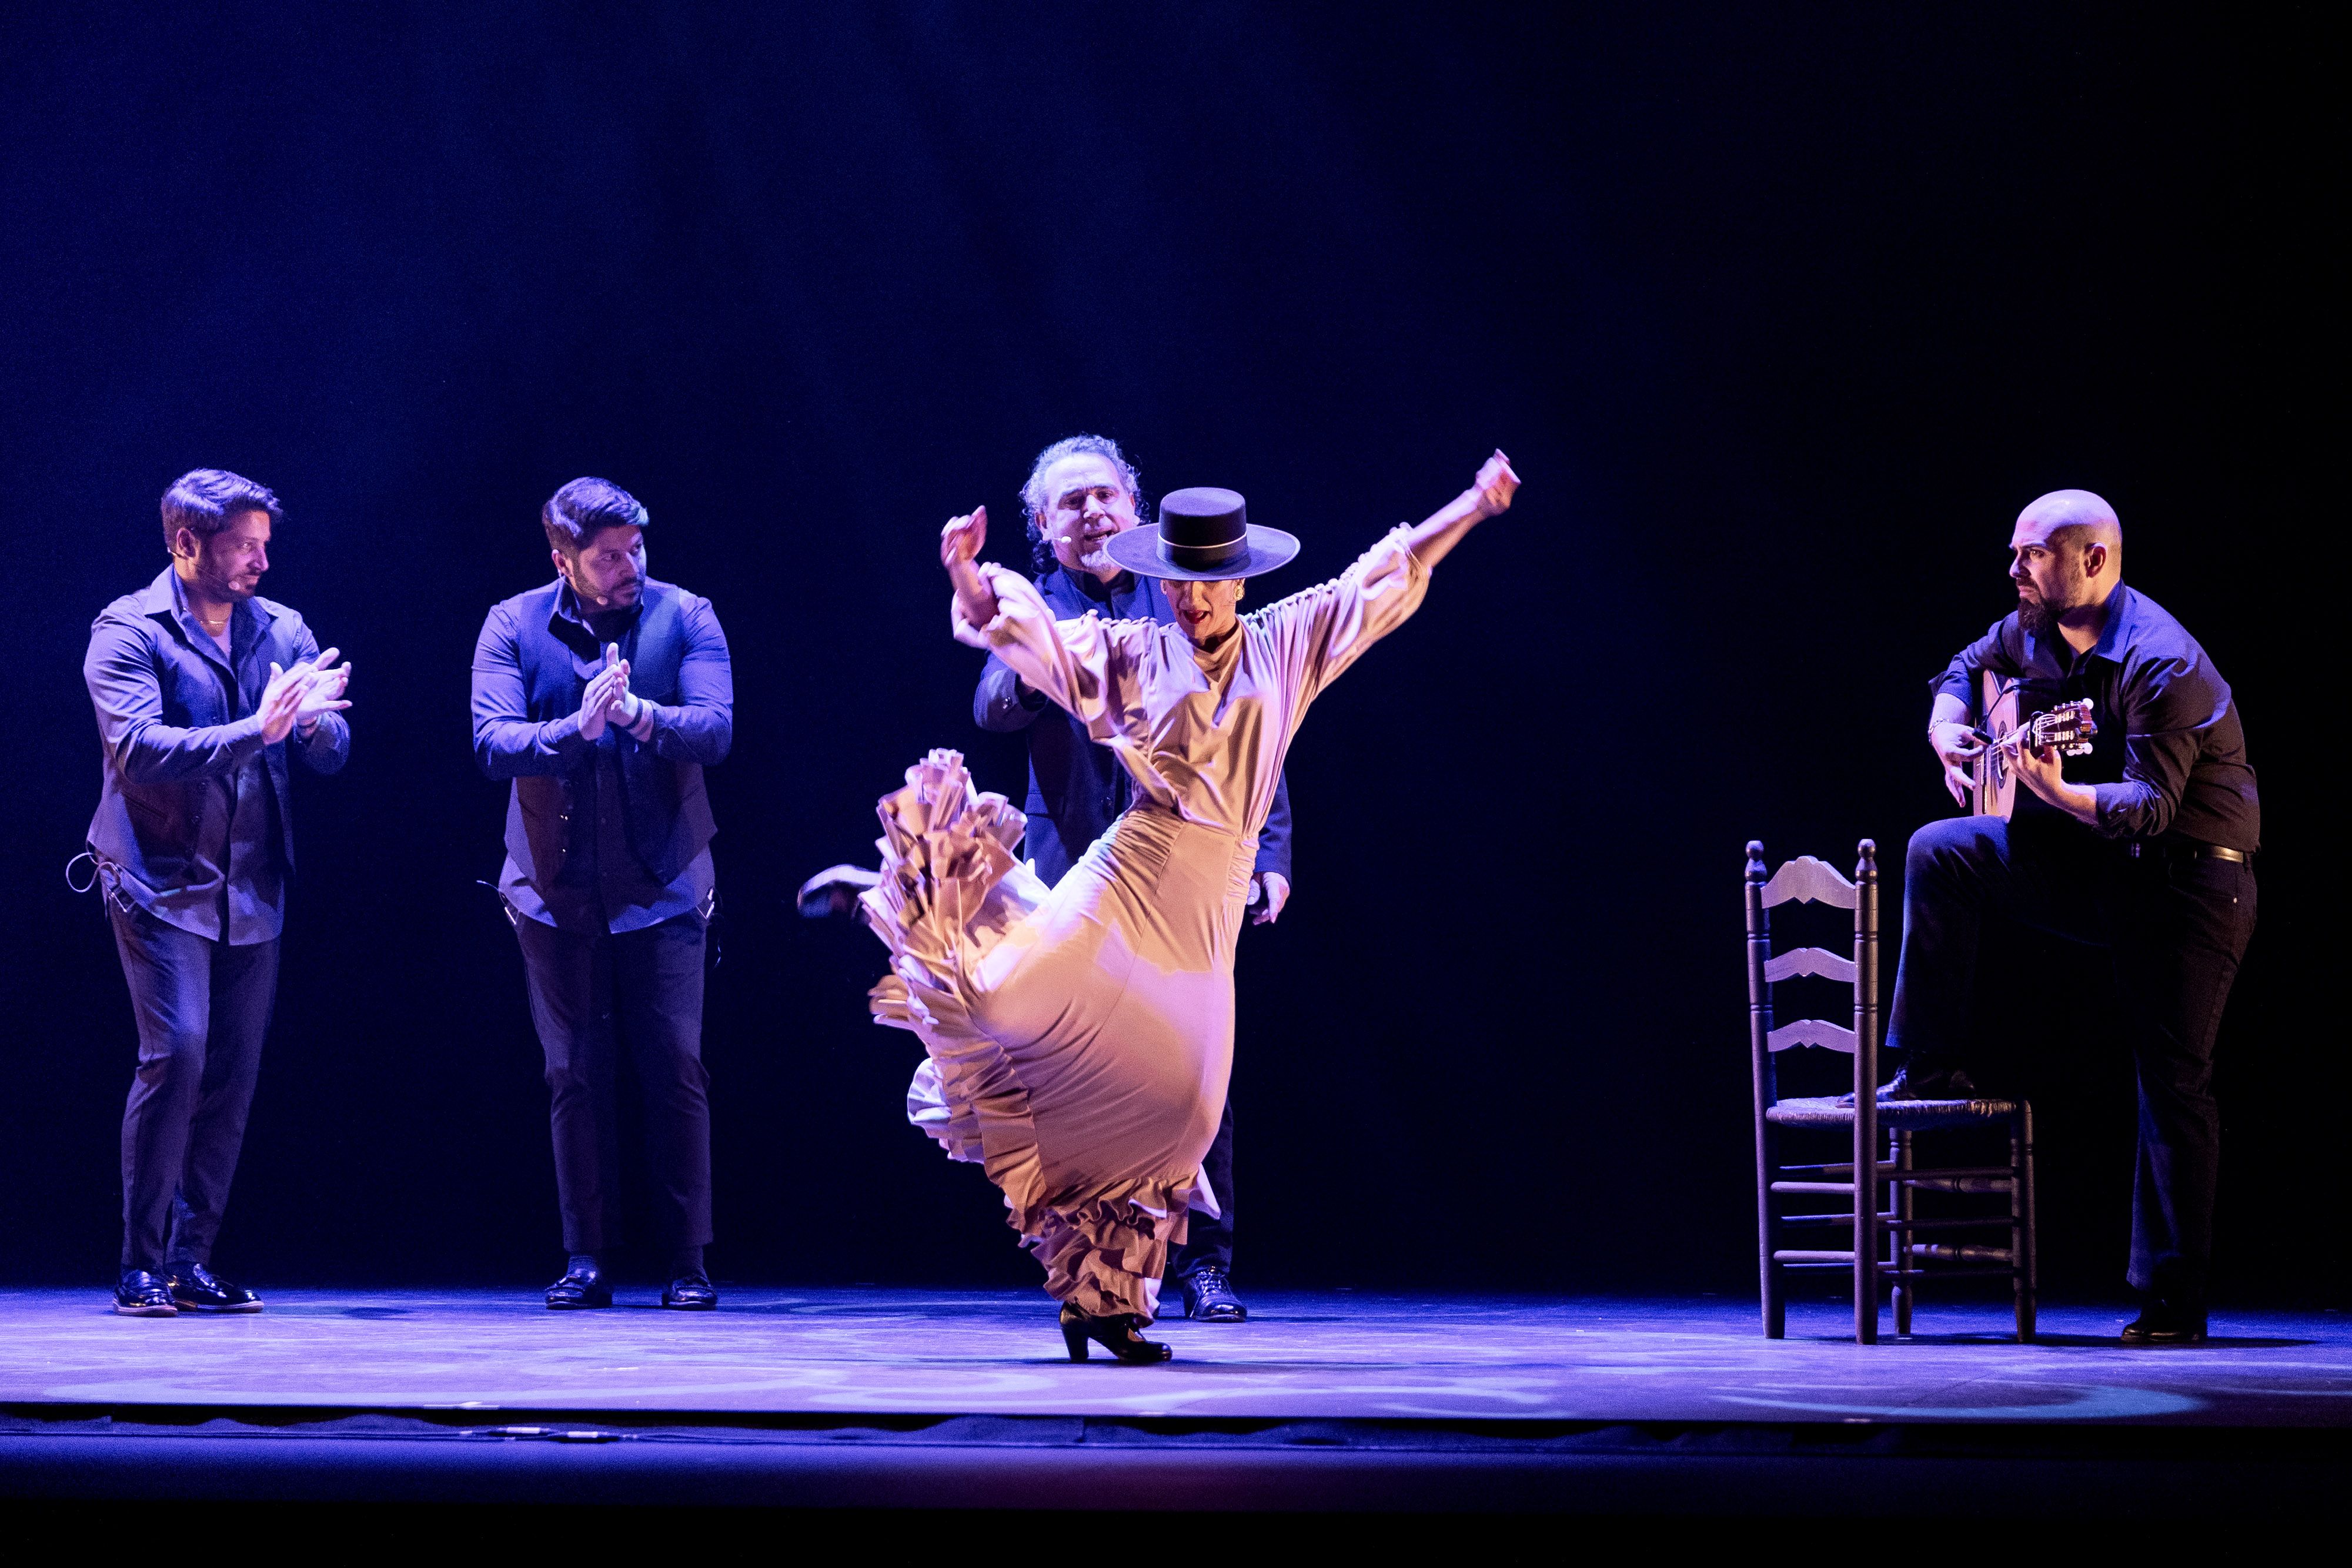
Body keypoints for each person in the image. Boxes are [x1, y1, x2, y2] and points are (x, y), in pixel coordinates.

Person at [855, 450, 1519, 1363]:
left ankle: (1103, 1302)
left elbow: (1384, 576)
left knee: (1185, 1115)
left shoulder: (1287, 642)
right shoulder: (1134, 649)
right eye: (1177, 583)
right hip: (1132, 869)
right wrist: (966, 570)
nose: (1192, 599)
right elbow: (1018, 630)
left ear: (1239, 581)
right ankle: (918, 901)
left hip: (1207, 906)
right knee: (1010, 999)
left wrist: (1474, 505)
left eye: (1209, 584)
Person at [1892, 489, 2259, 1346]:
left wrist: (2056, 792)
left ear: (2093, 561)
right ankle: (1932, 1065)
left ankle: (2175, 1302)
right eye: (2014, 553)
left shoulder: (2162, 660)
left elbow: (2152, 808)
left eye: (2032, 555)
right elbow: (1962, 666)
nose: (2014, 570)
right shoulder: (2035, 629)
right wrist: (1948, 728)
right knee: (1940, 849)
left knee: (2173, 1081)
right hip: (2106, 868)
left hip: (2192, 884)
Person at [973, 434, 1294, 1324]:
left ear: (1135, 508)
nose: (1092, 513)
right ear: (1044, 526)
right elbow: (992, 703)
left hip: (1187, 868)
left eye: (1105, 496)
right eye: (1070, 503)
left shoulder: (1190, 591)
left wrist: (1271, 855)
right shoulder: (1041, 605)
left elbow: (1258, 726)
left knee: (1193, 1069)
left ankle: (1204, 1265)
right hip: (1079, 869)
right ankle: (1098, 1268)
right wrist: (1045, 661)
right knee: (1078, 1071)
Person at [82, 469, 353, 1317]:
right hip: (158, 878)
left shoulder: (283, 628)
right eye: (242, 546)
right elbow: (140, 750)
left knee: (232, 1075)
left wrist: (315, 722)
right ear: (185, 543)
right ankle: (140, 1263)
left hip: (252, 880)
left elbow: (330, 751)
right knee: (180, 1054)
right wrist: (258, 729)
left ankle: (190, 1261)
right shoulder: (129, 629)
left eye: (264, 546)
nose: (259, 563)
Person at [471, 477, 733, 1311]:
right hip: (554, 890)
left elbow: (716, 727)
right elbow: (492, 741)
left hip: (665, 881)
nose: (629, 567)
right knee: (573, 1074)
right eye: (609, 556)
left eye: (636, 550)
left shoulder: (686, 615)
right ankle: (587, 1257)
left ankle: (687, 1260)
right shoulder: (512, 624)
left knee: (676, 1067)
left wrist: (639, 717)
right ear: (565, 561)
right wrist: (575, 729)